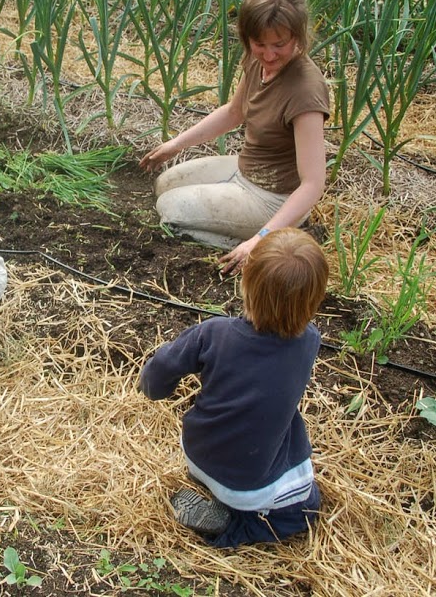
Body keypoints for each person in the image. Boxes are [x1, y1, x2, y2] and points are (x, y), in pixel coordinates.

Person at [139, 228, 327, 547]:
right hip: (246, 483)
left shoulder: (213, 334)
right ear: (316, 299)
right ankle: (238, 525)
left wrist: (154, 388)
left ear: (246, 284)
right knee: (308, 508)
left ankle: (217, 492)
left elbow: (160, 371)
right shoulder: (310, 342)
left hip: (197, 453)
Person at [139, 0, 329, 274]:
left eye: (279, 44)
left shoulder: (305, 91)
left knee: (170, 212)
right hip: (244, 170)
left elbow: (313, 184)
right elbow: (234, 112)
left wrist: (259, 239)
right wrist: (174, 145)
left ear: (298, 36)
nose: (268, 54)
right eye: (260, 44)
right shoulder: (259, 61)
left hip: (273, 199)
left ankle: (270, 244)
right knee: (164, 184)